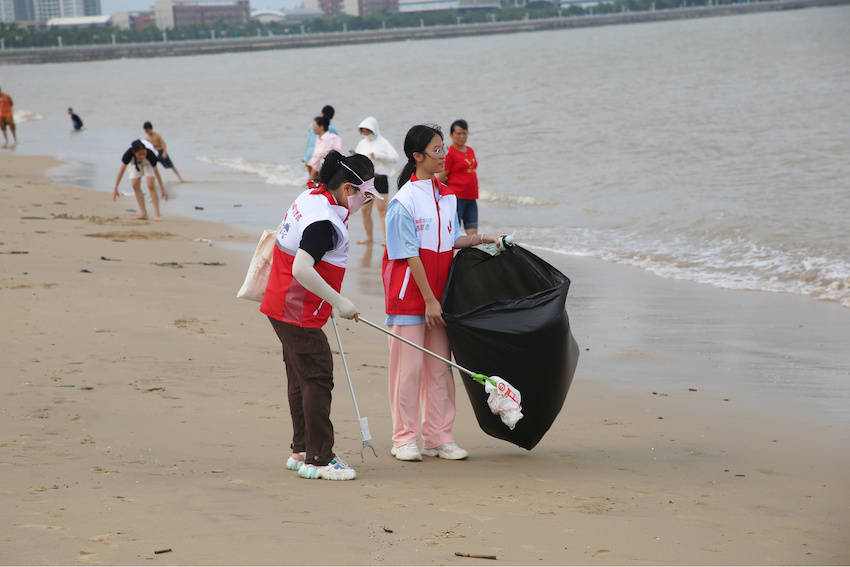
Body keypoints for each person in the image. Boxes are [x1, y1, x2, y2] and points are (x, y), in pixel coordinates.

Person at [383, 124, 503, 462]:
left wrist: (484, 238)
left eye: (442, 149)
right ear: (417, 156)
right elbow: (409, 254)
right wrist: (429, 300)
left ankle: (438, 437)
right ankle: (404, 438)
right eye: (436, 150)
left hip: (441, 297)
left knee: (439, 369)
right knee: (408, 371)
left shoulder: (447, 195)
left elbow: (450, 242)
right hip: (410, 297)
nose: (442, 155)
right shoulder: (402, 202)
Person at [260, 150, 380, 481]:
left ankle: (302, 449)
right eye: (366, 197)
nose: (365, 203)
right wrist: (339, 301)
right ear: (348, 189)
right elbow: (302, 267)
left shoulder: (313, 195)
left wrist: (327, 302)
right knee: (317, 376)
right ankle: (320, 458)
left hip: (284, 304)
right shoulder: (324, 222)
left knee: (300, 375)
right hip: (295, 308)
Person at [354, 116, 399, 245]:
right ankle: (369, 237)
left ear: (373, 129)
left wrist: (378, 156)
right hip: (365, 179)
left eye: (367, 129)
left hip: (380, 178)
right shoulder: (362, 143)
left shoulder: (383, 142)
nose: (365, 132)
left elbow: (395, 157)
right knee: (365, 210)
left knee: (382, 209)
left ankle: (386, 238)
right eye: (362, 130)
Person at [438, 119, 479, 236]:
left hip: (471, 197)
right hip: (456, 198)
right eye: (459, 133)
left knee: (473, 234)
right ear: (451, 135)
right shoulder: (450, 153)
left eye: (464, 133)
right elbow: (441, 177)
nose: (462, 136)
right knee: (453, 233)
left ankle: (473, 255)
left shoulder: (470, 150)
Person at [113, 139, 168, 221]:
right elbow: (122, 170)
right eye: (140, 154)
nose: (142, 156)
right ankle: (144, 214)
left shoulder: (149, 153)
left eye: (143, 153)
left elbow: (156, 171)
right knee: (135, 185)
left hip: (148, 162)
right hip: (135, 161)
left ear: (145, 150)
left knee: (150, 185)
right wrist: (116, 187)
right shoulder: (128, 154)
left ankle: (157, 214)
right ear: (134, 152)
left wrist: (163, 189)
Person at [302, 105, 338, 175]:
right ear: (332, 116)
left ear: (322, 113)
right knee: (318, 181)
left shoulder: (313, 125)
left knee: (312, 180)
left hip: (308, 155)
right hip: (318, 157)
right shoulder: (330, 128)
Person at [306, 115, 342, 181]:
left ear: (321, 127)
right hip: (319, 168)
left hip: (328, 170)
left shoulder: (329, 139)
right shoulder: (319, 139)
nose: (313, 128)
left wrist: (310, 178)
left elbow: (320, 157)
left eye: (314, 126)